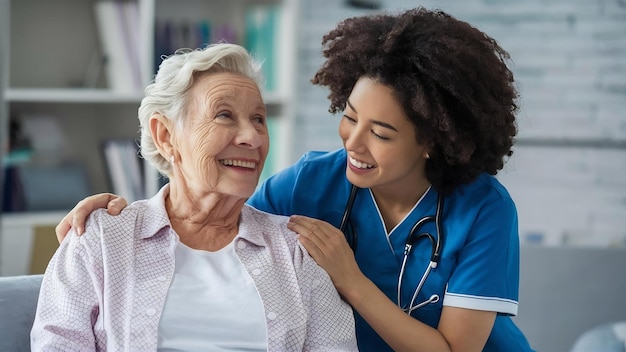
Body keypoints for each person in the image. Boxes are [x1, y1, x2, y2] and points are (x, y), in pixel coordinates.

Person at [55, 7, 535, 352]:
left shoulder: (483, 208)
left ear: (431, 139)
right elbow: (206, 209)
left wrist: (351, 280)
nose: (353, 143)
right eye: (349, 117)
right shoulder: (314, 182)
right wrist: (118, 218)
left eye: (382, 134)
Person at [31, 43, 358, 351]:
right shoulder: (101, 239)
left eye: (258, 119)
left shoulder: (298, 253)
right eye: (224, 115)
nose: (252, 137)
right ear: (166, 135)